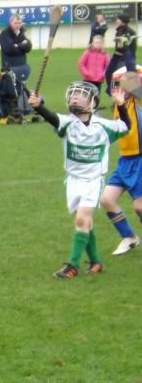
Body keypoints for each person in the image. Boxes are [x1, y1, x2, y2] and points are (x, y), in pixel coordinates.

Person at [29, 82, 129, 279]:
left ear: (92, 102)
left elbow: (126, 126)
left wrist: (121, 105)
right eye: (73, 94)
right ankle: (96, 261)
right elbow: (50, 117)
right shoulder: (67, 123)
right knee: (83, 222)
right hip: (73, 180)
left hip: (93, 180)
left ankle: (72, 266)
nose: (75, 97)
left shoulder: (104, 126)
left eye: (81, 95)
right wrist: (38, 105)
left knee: (82, 219)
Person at [101, 71, 142, 255]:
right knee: (107, 200)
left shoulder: (138, 101)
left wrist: (131, 79)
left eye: (123, 83)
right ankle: (130, 237)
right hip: (125, 160)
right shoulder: (119, 103)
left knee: (139, 207)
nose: (118, 87)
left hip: (140, 159)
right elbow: (109, 73)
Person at [104, 14, 137, 96]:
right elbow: (119, 47)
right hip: (118, 58)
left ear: (123, 21)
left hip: (125, 60)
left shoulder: (130, 31)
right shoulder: (119, 31)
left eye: (118, 19)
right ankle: (114, 94)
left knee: (119, 78)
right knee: (110, 75)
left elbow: (128, 46)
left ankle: (121, 96)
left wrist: (123, 41)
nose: (116, 21)